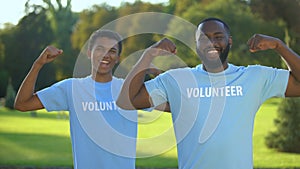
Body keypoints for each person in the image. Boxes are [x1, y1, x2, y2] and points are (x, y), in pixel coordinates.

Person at [117, 17, 300, 169]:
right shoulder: (177, 80)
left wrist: (279, 46)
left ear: (229, 41)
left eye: (218, 36)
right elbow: (125, 101)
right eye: (204, 38)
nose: (211, 43)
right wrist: (148, 55)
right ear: (196, 44)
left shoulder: (254, 76)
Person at [14, 29, 140, 169]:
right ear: (89, 53)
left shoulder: (130, 89)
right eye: (100, 49)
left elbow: (167, 103)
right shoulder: (72, 88)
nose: (106, 54)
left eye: (112, 51)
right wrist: (38, 65)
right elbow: (22, 104)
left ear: (118, 58)